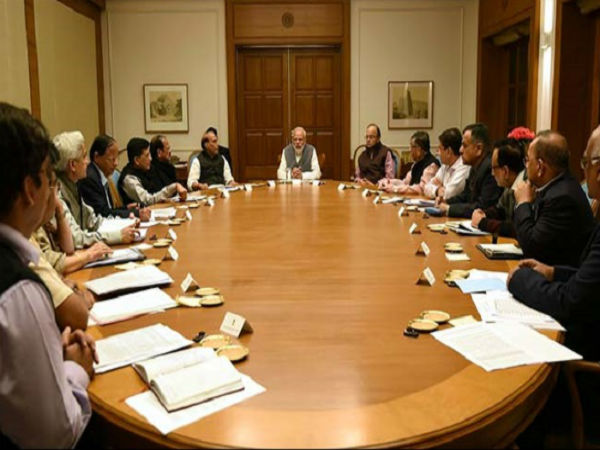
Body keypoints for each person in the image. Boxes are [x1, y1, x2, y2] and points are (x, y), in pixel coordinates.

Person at [0, 102, 96, 448]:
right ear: (30, 189)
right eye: (48, 179)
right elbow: (57, 434)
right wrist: (76, 368)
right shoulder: (19, 292)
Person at [507, 125, 600, 448]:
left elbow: (572, 302)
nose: (582, 171)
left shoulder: (564, 195)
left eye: (586, 161)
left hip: (587, 363)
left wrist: (522, 280)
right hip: (587, 323)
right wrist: (553, 272)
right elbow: (589, 277)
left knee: (517, 360)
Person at [512, 130, 594, 266]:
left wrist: (523, 203)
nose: (526, 166)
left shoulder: (562, 198)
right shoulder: (554, 188)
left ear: (540, 166)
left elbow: (531, 248)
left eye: (528, 160)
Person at [53, 131, 138, 249]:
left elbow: (93, 221)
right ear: (72, 165)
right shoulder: (56, 193)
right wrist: (117, 236)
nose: (88, 161)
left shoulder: (73, 185)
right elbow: (76, 238)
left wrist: (127, 223)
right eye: (84, 157)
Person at [437, 123, 503, 217]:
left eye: (464, 146)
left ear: (479, 149)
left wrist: (449, 209)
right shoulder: (475, 166)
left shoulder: (490, 169)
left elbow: (482, 207)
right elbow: (466, 195)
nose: (460, 150)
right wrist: (446, 201)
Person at [78, 134, 150, 220]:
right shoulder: (90, 179)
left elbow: (108, 209)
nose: (116, 163)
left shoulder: (103, 176)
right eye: (112, 159)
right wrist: (136, 213)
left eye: (117, 158)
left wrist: (126, 208)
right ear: (96, 157)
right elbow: (102, 213)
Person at [471, 139, 525, 237]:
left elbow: (517, 228)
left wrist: (483, 223)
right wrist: (484, 214)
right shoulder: (510, 185)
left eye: (494, 168)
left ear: (505, 171)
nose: (492, 173)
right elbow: (500, 210)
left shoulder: (526, 186)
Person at [119, 137, 188, 204]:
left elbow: (157, 191)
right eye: (147, 155)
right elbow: (149, 200)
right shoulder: (129, 179)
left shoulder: (146, 169)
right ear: (137, 160)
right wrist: (174, 187)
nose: (150, 158)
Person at [423, 127, 470, 200]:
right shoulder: (445, 165)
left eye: (440, 149)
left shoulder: (463, 167)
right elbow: (426, 187)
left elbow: (449, 194)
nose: (438, 153)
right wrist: (437, 190)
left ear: (448, 151)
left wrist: (439, 187)